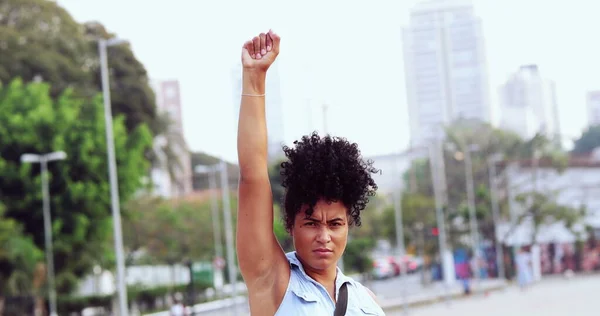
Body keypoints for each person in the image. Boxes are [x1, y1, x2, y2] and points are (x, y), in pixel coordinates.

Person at [236, 30, 386, 315]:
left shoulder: (365, 300)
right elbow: (252, 174)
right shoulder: (274, 282)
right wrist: (255, 78)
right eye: (311, 223)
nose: (324, 236)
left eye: (335, 224)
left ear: (349, 225)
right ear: (290, 225)